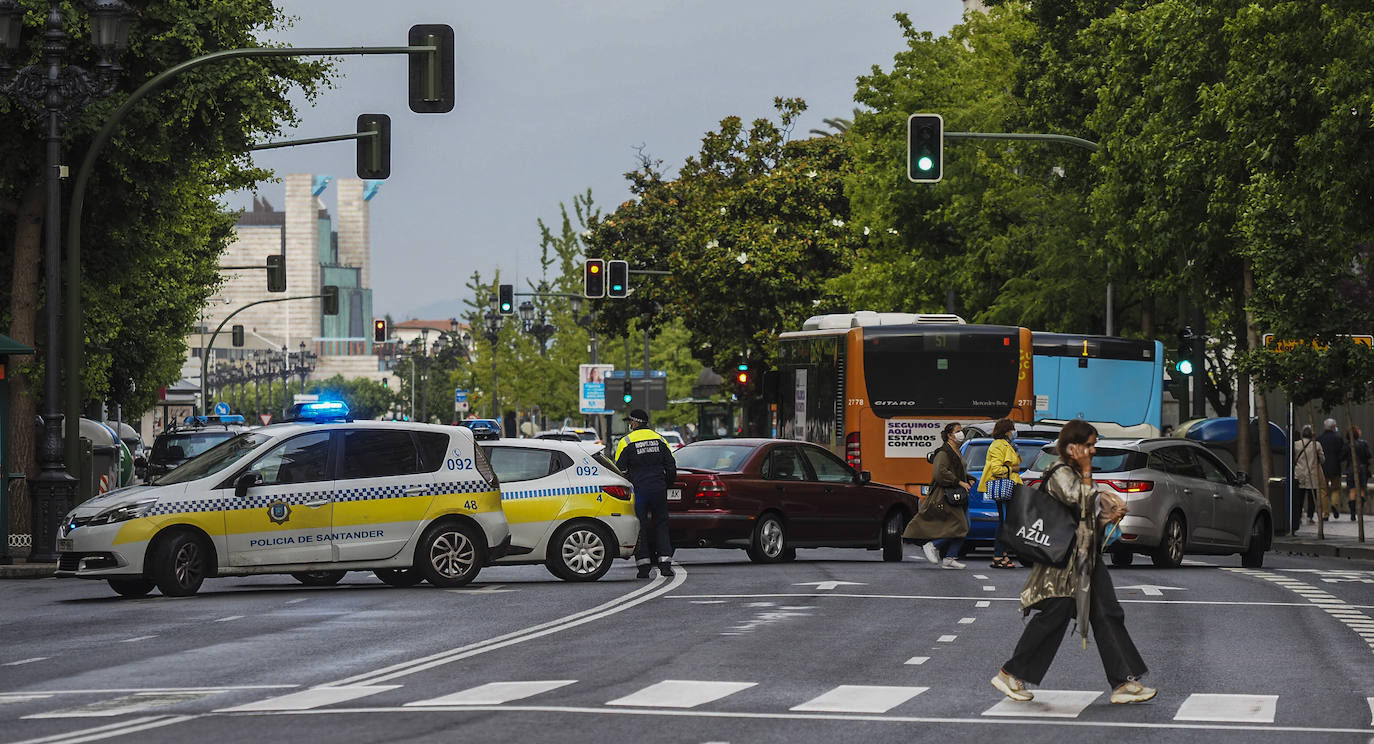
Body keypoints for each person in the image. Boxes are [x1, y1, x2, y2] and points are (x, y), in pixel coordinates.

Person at [991, 419, 1155, 705]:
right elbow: (1078, 502)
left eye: (1094, 445)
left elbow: (1086, 517)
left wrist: (1107, 513)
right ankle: (1010, 672)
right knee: (1053, 618)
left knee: (1108, 614)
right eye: (1089, 445)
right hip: (1064, 565)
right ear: (1071, 447)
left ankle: (1123, 681)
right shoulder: (1059, 472)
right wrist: (1094, 485)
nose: (1093, 451)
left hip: (1085, 559)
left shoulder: (1075, 473)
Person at [614, 408, 678, 579]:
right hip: (658, 488)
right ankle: (665, 566)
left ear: (635, 423)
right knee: (662, 525)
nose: (630, 425)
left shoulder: (626, 441)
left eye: (630, 422)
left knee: (640, 527)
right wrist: (667, 484)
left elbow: (618, 469)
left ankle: (643, 567)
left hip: (639, 491)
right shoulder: (660, 439)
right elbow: (671, 465)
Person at [902, 422, 973, 569]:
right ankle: (933, 545)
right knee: (961, 525)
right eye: (958, 431)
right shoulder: (943, 453)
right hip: (946, 495)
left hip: (958, 495)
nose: (961, 434)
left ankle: (949, 558)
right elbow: (939, 472)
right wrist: (959, 482)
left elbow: (956, 470)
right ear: (949, 435)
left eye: (961, 431)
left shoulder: (956, 451)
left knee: (965, 525)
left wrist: (969, 478)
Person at [978, 418, 1023, 569]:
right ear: (1006, 431)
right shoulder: (997, 445)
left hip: (1012, 487)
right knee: (1004, 523)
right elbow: (996, 469)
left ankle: (1003, 555)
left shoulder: (1009, 445)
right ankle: (998, 556)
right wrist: (1012, 469)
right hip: (1004, 487)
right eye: (1012, 429)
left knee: (1008, 523)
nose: (1014, 432)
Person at [1292, 425, 1325, 532]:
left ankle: (1298, 516)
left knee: (1299, 497)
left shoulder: (1296, 444)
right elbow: (1322, 459)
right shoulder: (1317, 444)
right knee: (1312, 497)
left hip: (1299, 473)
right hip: (1312, 473)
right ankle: (1310, 517)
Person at [1316, 418, 1347, 520]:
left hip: (1323, 467)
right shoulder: (1338, 438)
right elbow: (1343, 451)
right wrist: (1338, 459)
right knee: (1335, 489)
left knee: (1323, 491)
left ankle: (1325, 513)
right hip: (1335, 467)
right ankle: (1334, 504)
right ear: (1333, 427)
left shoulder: (1319, 438)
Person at [1344, 425, 1371, 521]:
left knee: (1352, 490)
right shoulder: (1363, 444)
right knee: (1362, 490)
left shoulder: (1347, 445)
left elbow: (1342, 457)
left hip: (1351, 469)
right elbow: (1368, 455)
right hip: (1362, 469)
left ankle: (1352, 513)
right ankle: (1360, 511)